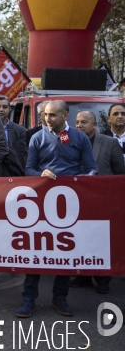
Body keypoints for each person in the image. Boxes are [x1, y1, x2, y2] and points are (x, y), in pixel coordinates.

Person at [18, 100, 98, 318]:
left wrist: (75, 180)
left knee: (64, 250)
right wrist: (40, 174)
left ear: (65, 115)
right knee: (36, 250)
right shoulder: (37, 137)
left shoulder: (80, 138)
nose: (47, 119)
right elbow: (29, 169)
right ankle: (28, 298)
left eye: (52, 115)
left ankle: (60, 298)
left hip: (69, 203)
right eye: (45, 115)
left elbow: (92, 169)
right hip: (41, 202)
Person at [70, 111, 124, 294]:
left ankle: (102, 278)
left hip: (102, 201)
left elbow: (119, 172)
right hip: (77, 200)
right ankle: (83, 275)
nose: (79, 126)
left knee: (100, 241)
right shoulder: (69, 142)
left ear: (94, 124)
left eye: (84, 122)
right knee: (80, 238)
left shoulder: (109, 143)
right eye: (77, 122)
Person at [0, 95, 27, 167]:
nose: (1, 110)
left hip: (13, 170)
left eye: (5, 107)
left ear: (9, 109)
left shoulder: (20, 130)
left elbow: (23, 153)